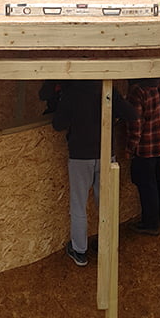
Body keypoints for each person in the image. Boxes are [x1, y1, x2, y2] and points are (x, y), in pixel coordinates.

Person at [51, 80, 138, 267]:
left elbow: (58, 124)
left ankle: (80, 251)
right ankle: (106, 245)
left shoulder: (71, 93)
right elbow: (132, 114)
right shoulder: (107, 89)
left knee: (79, 205)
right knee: (106, 204)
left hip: (80, 157)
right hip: (107, 154)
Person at [125, 78, 160, 236]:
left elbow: (135, 126)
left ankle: (150, 223)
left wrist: (130, 148)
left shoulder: (138, 93)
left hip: (147, 149)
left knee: (147, 185)